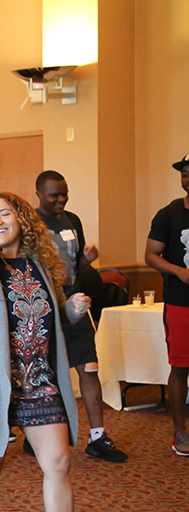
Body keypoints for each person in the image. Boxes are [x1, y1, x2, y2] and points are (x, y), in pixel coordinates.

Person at [0, 192, 89, 512]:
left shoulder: (39, 265)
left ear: (21, 219)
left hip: (38, 382)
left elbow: (47, 316)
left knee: (60, 463)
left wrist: (73, 311)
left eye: (5, 214)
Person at [35, 170, 128, 462]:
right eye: (54, 196)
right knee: (45, 373)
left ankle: (97, 437)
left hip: (75, 303)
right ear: (39, 194)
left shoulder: (72, 220)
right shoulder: (31, 225)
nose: (61, 200)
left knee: (89, 368)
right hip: (45, 307)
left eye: (65, 194)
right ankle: (38, 432)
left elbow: (77, 266)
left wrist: (85, 262)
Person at [144, 154, 189, 456]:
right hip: (181, 302)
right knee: (181, 367)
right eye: (185, 174)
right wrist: (179, 271)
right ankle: (180, 432)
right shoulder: (169, 214)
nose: (188, 179)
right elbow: (150, 255)